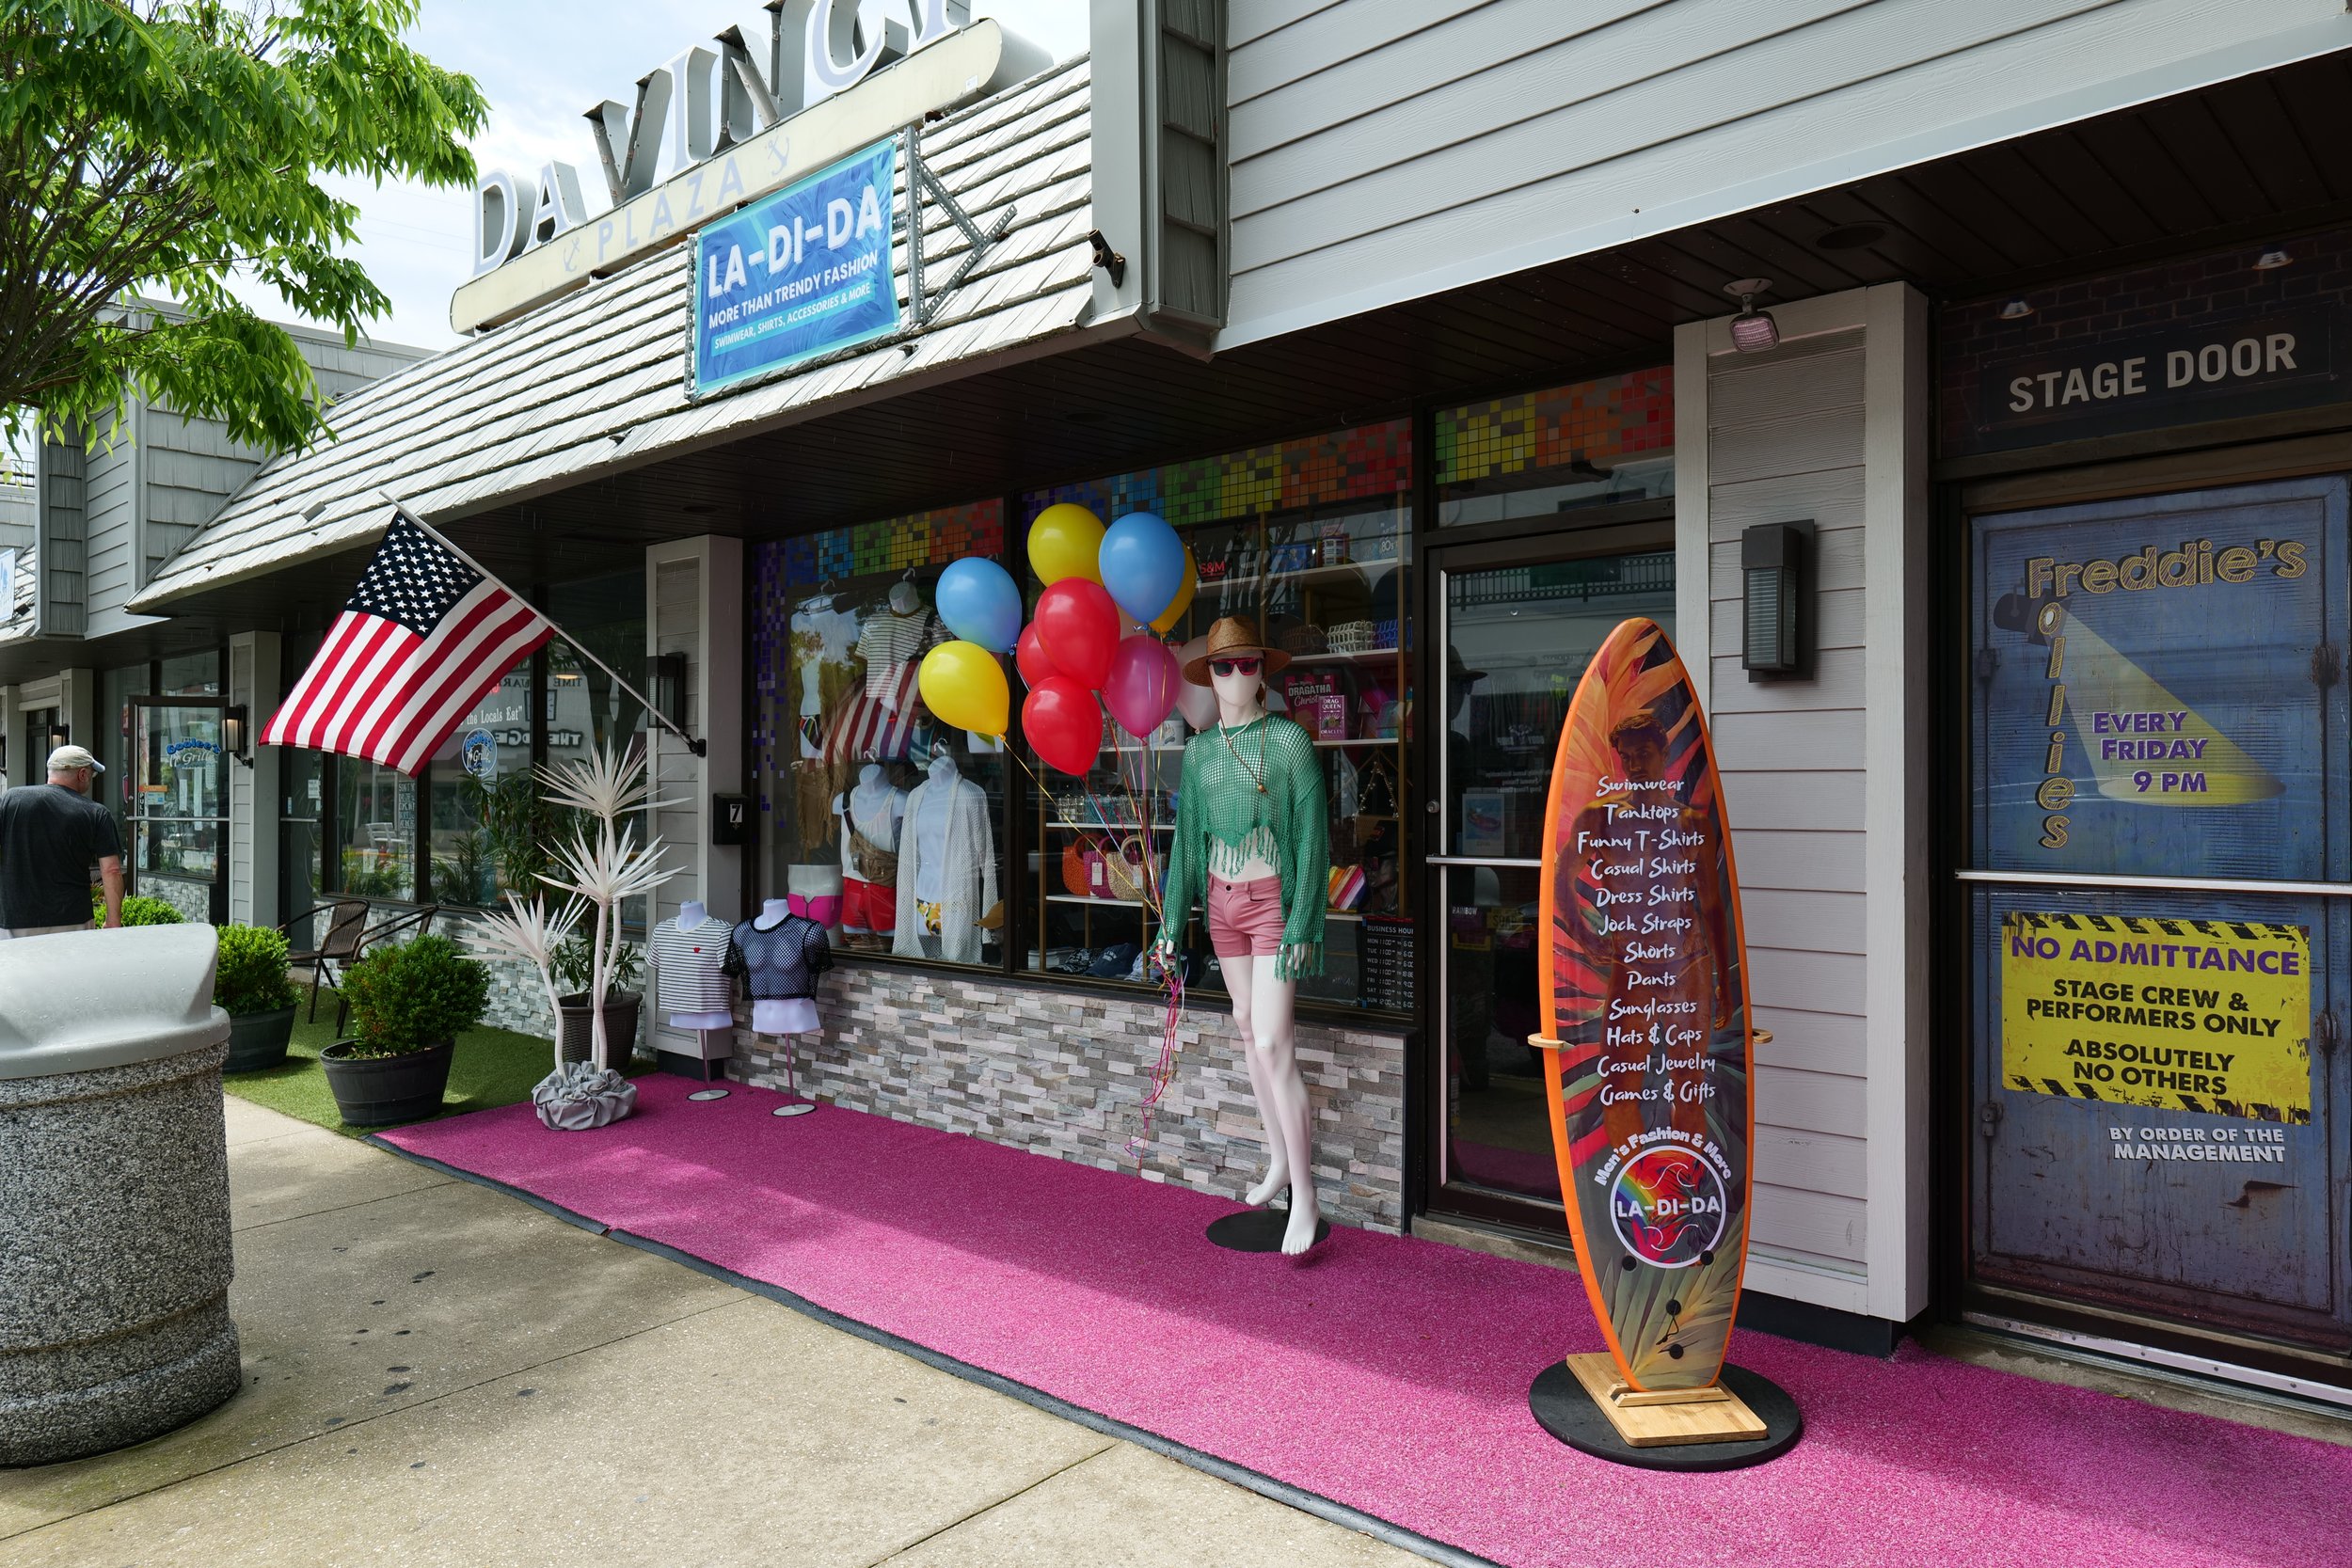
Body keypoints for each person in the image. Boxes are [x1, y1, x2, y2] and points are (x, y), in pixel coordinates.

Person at [1152, 616, 1330, 1255]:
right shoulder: (1199, 753)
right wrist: (1172, 923)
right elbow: (1186, 845)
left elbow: (1313, 839)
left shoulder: (1288, 742)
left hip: (1272, 904)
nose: (1234, 677)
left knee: (1273, 1043)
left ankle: (1305, 1197)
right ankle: (1279, 1157)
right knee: (1245, 1026)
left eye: (1246, 664)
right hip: (1222, 905)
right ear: (1208, 675)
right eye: (1222, 667)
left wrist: (1306, 919)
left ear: (1263, 670)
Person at [0, 745, 124, 936]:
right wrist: (113, 922)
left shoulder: (10, 799)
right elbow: (112, 870)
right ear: (82, 774)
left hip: (15, 919)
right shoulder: (96, 812)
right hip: (73, 920)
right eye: (91, 775)